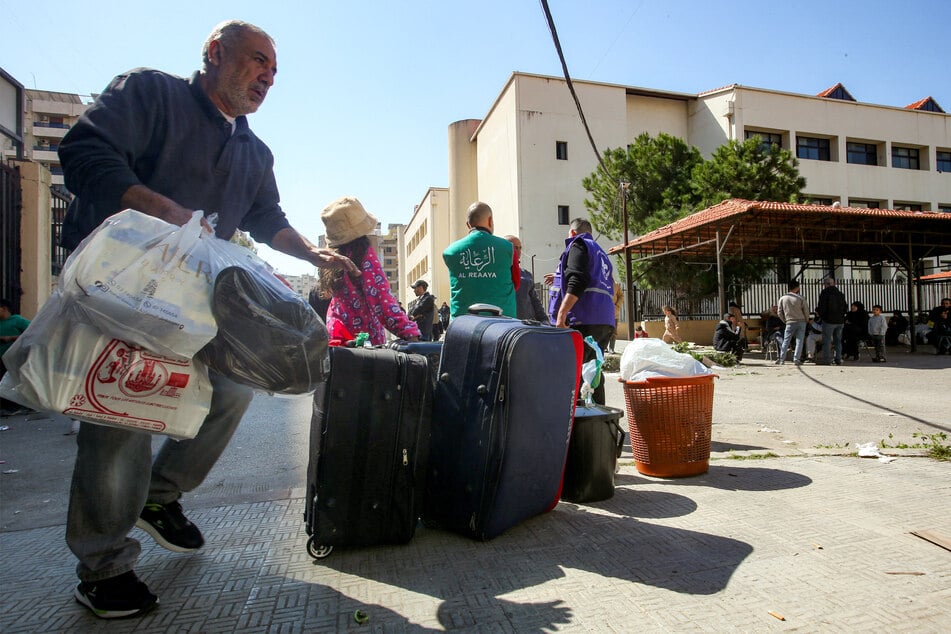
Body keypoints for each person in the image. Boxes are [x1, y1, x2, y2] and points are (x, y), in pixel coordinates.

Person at [56, 20, 360, 619]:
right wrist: (163, 210)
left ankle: (161, 496)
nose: (267, 77)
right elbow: (85, 151)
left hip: (194, 293)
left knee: (235, 383)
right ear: (215, 54)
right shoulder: (150, 94)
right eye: (256, 61)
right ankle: (103, 566)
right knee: (122, 413)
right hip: (121, 282)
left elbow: (265, 212)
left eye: (274, 70)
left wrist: (309, 252)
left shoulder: (253, 150)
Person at [320, 197, 420, 345]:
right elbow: (381, 300)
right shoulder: (363, 255)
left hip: (337, 336)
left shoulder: (331, 260)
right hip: (363, 342)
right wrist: (409, 332)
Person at [547, 218, 616, 405]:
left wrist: (561, 315)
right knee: (593, 374)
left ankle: (578, 426)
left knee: (575, 375)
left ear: (572, 233)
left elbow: (578, 280)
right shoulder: (600, 252)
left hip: (584, 319)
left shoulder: (578, 244)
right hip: (605, 320)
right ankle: (599, 424)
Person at [443, 202, 519, 319]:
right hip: (502, 323)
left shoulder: (450, 251)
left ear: (468, 224)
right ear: (490, 220)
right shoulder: (508, 248)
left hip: (463, 324)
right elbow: (516, 284)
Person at [504, 235, 548, 322]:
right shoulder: (499, 274)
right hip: (506, 324)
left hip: (526, 324)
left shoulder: (526, 275)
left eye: (520, 248)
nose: (519, 251)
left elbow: (535, 300)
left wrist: (544, 320)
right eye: (515, 247)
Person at [0, 299, 32, 416]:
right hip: (2, 358)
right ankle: (5, 406)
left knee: (17, 381)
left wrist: (12, 338)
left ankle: (20, 406)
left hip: (14, 358)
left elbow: (33, 332)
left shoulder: (17, 320)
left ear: (3, 309)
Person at [816, 277, 847, 365]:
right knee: (838, 340)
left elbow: (822, 307)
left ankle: (827, 359)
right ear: (834, 283)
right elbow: (845, 307)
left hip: (829, 321)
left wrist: (822, 316)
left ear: (826, 284)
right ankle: (838, 358)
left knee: (827, 341)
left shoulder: (824, 293)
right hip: (840, 321)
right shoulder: (840, 294)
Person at [776, 280, 809, 365]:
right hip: (801, 321)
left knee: (786, 340)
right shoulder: (801, 298)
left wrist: (785, 320)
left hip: (790, 321)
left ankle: (782, 359)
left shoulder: (782, 298)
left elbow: (779, 312)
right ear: (797, 287)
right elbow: (806, 310)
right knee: (799, 341)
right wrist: (807, 319)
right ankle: (796, 359)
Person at [607, 280, 624, 352]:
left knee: (613, 331)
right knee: (603, 330)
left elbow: (621, 296)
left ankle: (611, 348)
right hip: (603, 312)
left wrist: (617, 305)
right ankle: (604, 347)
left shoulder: (616, 284)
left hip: (614, 312)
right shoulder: (600, 282)